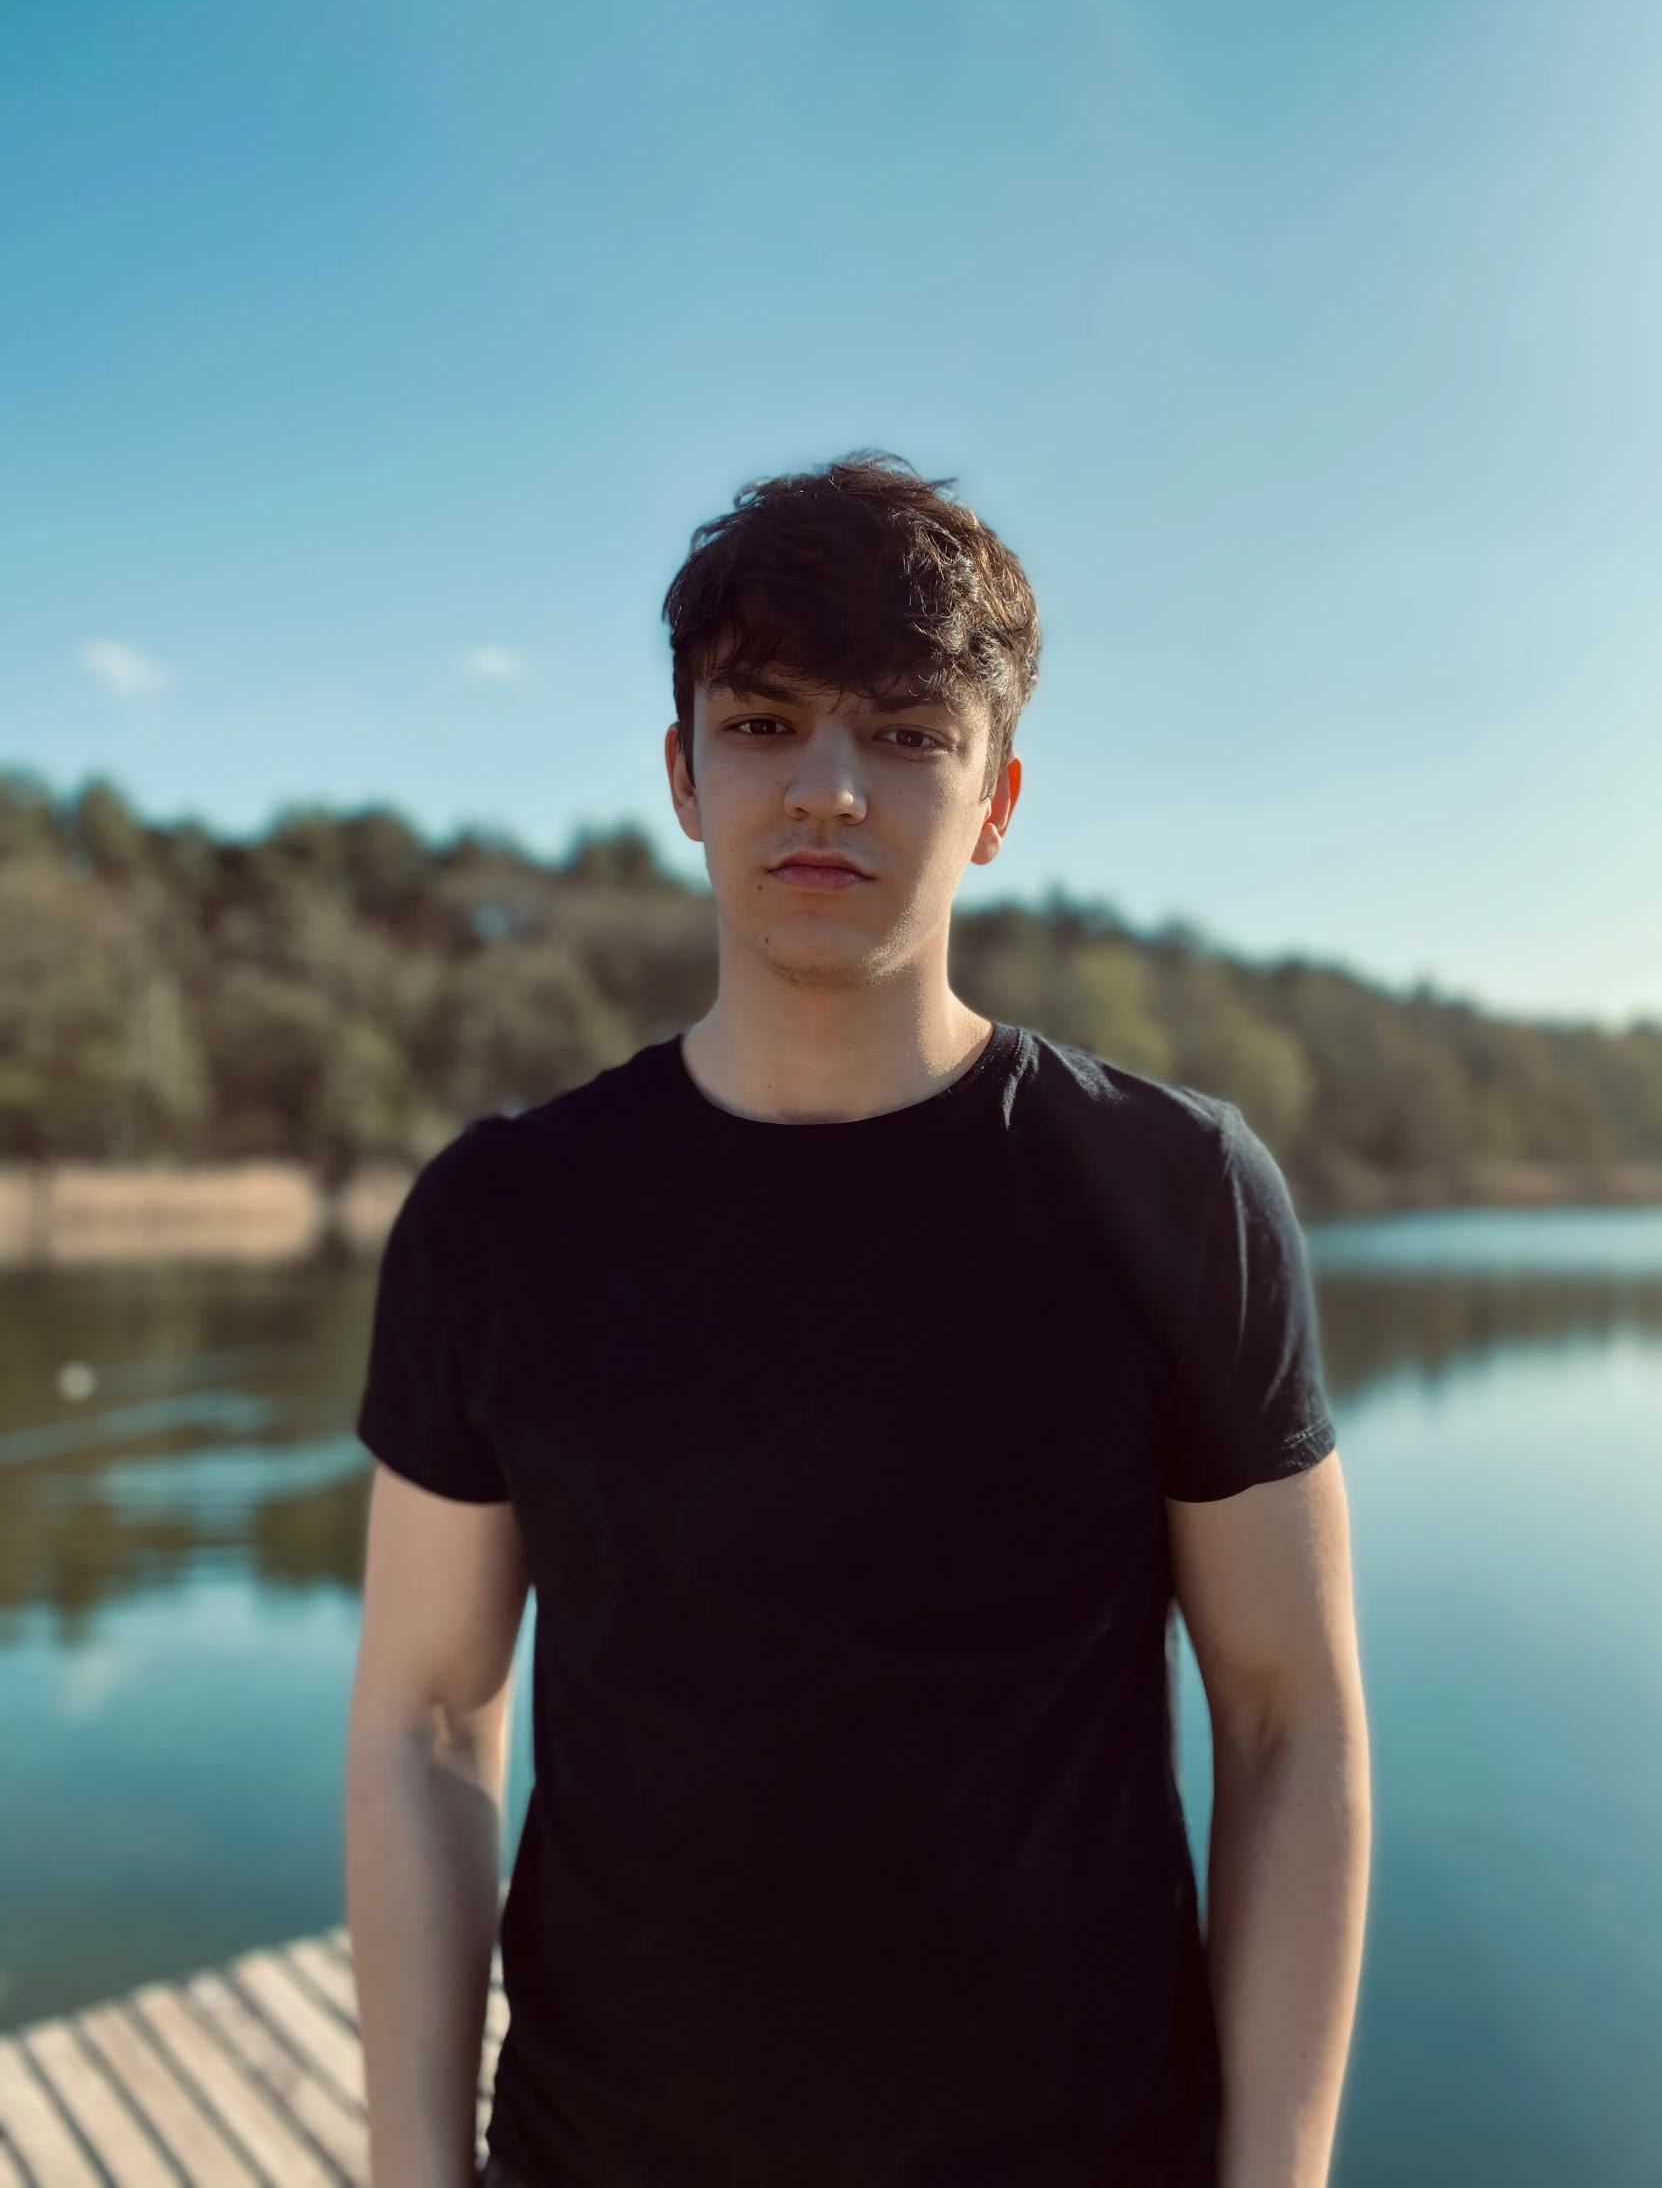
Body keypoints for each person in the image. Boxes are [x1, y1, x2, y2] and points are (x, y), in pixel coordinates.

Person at [345, 454, 1371, 2188]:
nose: (828, 787)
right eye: (762, 724)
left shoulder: (1174, 1192)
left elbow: (1290, 1725)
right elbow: (426, 1719)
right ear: (681, 775)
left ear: (995, 800)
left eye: (905, 734)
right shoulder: (501, 1217)